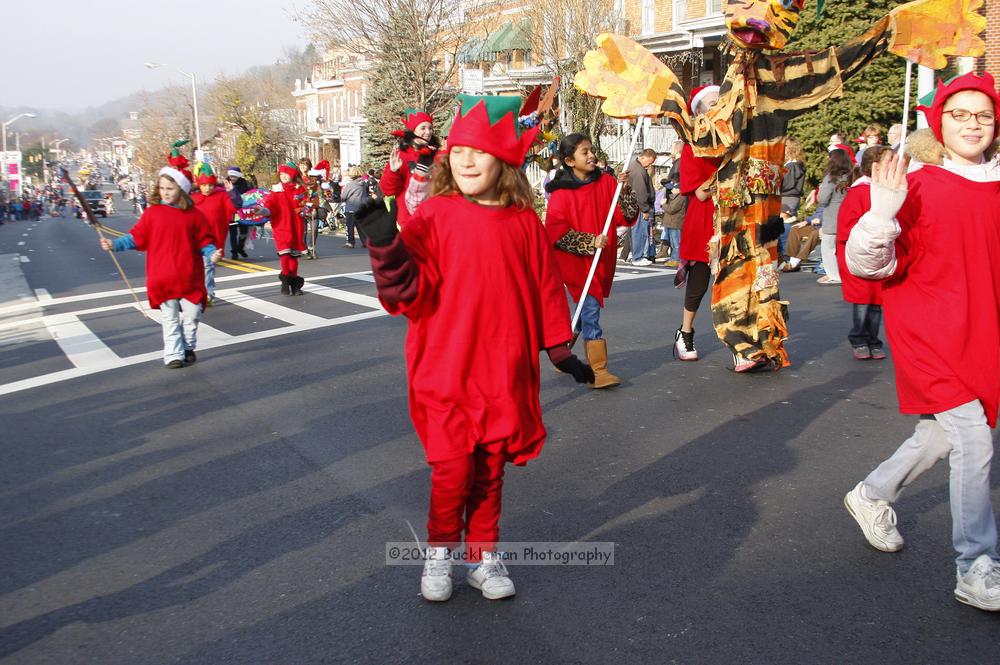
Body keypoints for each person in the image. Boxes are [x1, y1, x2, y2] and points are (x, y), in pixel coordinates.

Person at [356, 94, 594, 603]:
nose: (465, 160)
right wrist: (384, 244)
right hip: (445, 368)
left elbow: (545, 287)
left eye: (479, 152)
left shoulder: (524, 221)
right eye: (458, 149)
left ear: (503, 162)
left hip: (502, 371)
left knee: (489, 472)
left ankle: (482, 555)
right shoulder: (436, 216)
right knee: (452, 469)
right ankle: (440, 551)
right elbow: (404, 293)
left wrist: (559, 349)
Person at [843, 72, 1000, 612]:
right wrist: (882, 213)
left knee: (942, 437)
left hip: (982, 333)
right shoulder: (920, 184)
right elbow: (868, 264)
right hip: (929, 334)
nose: (973, 124)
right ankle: (976, 565)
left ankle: (873, 493)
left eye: (983, 114)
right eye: (961, 114)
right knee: (975, 441)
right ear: (940, 122)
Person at [99, 163, 219, 368]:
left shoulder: (194, 215)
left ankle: (188, 345)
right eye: (162, 188)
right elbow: (135, 238)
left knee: (193, 314)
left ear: (181, 190)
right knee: (170, 317)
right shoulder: (152, 213)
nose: (165, 192)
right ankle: (173, 353)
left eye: (170, 188)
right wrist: (114, 244)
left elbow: (204, 241)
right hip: (162, 276)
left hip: (190, 275)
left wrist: (211, 253)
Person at [544, 133, 637, 389]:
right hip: (575, 262)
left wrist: (624, 191)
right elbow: (556, 232)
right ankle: (598, 370)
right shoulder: (561, 193)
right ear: (569, 160)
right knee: (591, 309)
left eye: (591, 150)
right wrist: (588, 241)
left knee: (586, 310)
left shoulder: (607, 182)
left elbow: (626, 216)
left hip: (601, 259)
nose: (591, 155)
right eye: (584, 152)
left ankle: (563, 351)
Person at [673, 85, 722, 363]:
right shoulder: (693, 148)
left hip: (732, 216)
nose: (718, 108)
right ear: (700, 112)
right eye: (713, 104)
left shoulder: (731, 141)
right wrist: (726, 173)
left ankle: (741, 338)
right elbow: (701, 192)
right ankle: (685, 332)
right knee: (700, 281)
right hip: (704, 219)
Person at [836, 144, 890, 360]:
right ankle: (859, 339)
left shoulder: (884, 191)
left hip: (879, 253)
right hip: (859, 254)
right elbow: (846, 228)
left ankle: (874, 340)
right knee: (863, 300)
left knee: (877, 301)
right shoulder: (860, 191)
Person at [380, 109, 439, 227]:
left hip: (435, 218)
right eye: (423, 128)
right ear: (413, 130)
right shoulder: (401, 156)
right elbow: (388, 190)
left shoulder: (438, 155)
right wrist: (393, 172)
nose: (428, 132)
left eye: (430, 128)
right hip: (409, 220)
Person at [191, 162, 237, 302]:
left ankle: (208, 293)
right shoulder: (192, 198)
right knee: (196, 268)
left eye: (210, 185)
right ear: (199, 185)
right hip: (195, 238)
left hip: (213, 239)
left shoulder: (221, 195)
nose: (207, 188)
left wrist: (232, 192)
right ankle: (199, 289)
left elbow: (233, 207)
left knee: (208, 266)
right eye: (204, 185)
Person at [263, 161, 307, 295]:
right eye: (281, 174)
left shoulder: (300, 189)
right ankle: (286, 281)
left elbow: (305, 204)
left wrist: (308, 209)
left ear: (292, 175)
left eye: (286, 173)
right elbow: (269, 206)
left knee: (293, 256)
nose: (283, 176)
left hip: (296, 226)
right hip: (281, 226)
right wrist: (263, 211)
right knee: (285, 255)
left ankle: (293, 283)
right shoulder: (276, 190)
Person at [816, 148, 854, 285]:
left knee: (828, 247)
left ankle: (833, 274)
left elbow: (823, 198)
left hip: (832, 216)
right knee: (845, 248)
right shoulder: (851, 176)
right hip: (849, 215)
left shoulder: (831, 178)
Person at [626, 148, 656, 265]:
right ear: (643, 157)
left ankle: (637, 256)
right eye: (649, 161)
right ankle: (638, 257)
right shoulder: (639, 171)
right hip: (639, 207)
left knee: (638, 231)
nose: (650, 164)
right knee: (639, 231)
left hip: (635, 205)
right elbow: (640, 192)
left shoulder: (635, 167)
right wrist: (645, 209)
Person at [341, 166, 371, 248]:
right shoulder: (364, 184)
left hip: (351, 207)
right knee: (361, 226)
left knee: (350, 226)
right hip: (362, 207)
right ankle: (366, 242)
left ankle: (350, 242)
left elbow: (343, 196)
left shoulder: (350, 184)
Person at [226, 166, 251, 258]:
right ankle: (234, 252)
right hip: (231, 212)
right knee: (233, 233)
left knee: (244, 232)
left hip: (243, 211)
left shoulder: (245, 184)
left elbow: (251, 195)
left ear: (238, 176)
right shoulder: (226, 183)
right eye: (231, 176)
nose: (232, 178)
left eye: (234, 176)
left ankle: (240, 247)